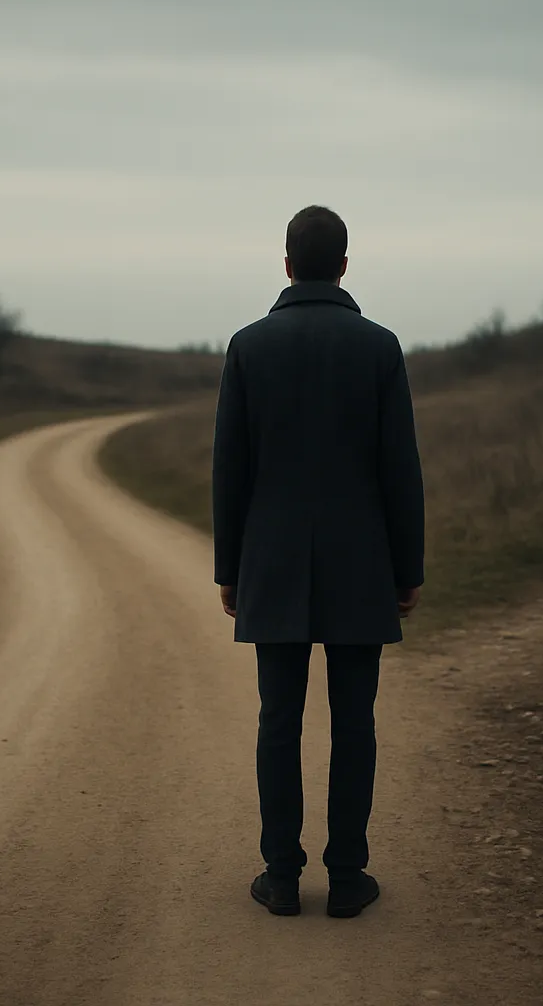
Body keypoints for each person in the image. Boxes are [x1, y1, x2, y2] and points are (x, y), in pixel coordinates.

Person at [211, 205, 425, 919]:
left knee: (278, 719)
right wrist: (407, 568)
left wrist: (229, 570)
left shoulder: (247, 346)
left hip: (270, 560)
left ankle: (279, 877)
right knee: (354, 722)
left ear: (285, 264)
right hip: (361, 562)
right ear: (342, 265)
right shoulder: (380, 347)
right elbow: (401, 470)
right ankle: (347, 877)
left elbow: (230, 471)